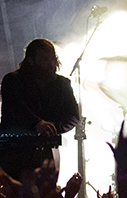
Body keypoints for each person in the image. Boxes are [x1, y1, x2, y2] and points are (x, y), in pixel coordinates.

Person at [0, 38, 79, 178]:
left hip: (48, 151)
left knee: (45, 195)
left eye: (52, 59)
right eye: (44, 59)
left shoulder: (62, 84)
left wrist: (54, 127)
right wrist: (37, 123)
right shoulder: (12, 80)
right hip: (14, 151)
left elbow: (73, 116)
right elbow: (16, 109)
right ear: (30, 60)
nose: (50, 64)